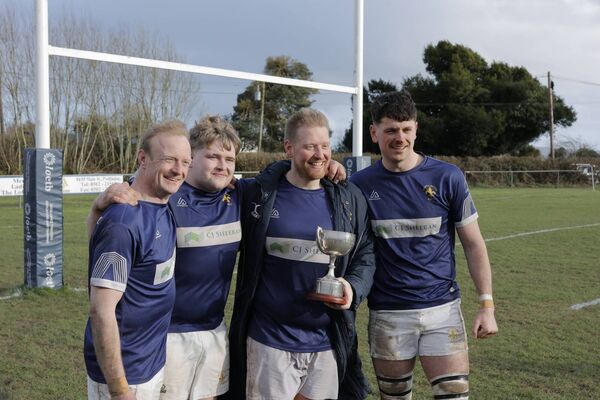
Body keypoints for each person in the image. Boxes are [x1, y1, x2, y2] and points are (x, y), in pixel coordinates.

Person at [88, 115, 348, 400]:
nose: (222, 166)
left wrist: (326, 164)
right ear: (191, 157)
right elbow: (121, 223)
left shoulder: (240, 197)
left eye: (229, 158)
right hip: (166, 335)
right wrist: (99, 205)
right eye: (212, 156)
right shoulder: (167, 196)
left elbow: (282, 176)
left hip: (214, 330)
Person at [349, 91, 498, 400]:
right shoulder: (360, 185)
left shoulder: (447, 177)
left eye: (406, 129)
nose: (399, 137)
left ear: (416, 129)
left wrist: (486, 305)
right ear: (374, 133)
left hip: (442, 312)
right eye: (390, 130)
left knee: (454, 397)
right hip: (388, 314)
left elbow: (474, 244)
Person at [227, 108, 376, 400]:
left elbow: (366, 253)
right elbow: (202, 186)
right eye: (309, 146)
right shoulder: (258, 194)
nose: (319, 154)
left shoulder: (348, 197)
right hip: (270, 341)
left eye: (324, 146)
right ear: (289, 148)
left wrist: (352, 287)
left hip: (326, 343)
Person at [84, 120, 192, 400]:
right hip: (125, 375)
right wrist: (119, 390)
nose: (179, 170)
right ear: (143, 158)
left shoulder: (162, 206)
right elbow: (101, 311)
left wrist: (96, 208)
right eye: (170, 159)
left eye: (186, 162)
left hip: (150, 363)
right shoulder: (124, 220)